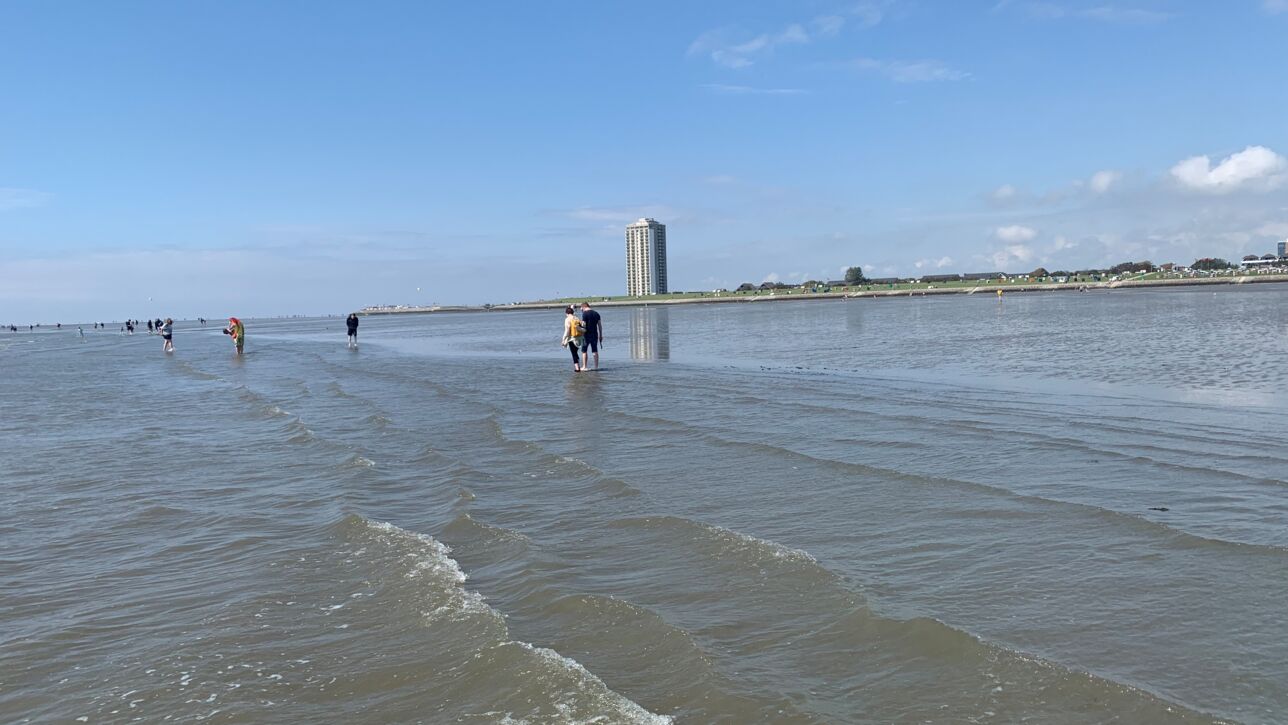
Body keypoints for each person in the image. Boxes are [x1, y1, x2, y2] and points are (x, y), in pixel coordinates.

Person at [579, 302, 603, 371]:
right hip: (595, 334)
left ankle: (584, 366)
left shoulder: (585, 313)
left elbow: (583, 325)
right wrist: (601, 335)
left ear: (584, 307)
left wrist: (579, 325)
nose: (582, 310)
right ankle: (596, 367)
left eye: (581, 309)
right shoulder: (596, 313)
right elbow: (600, 326)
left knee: (584, 351)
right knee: (595, 351)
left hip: (586, 335)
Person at [561, 306, 583, 372]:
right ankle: (578, 366)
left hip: (572, 338)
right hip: (579, 338)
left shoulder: (567, 319)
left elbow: (567, 330)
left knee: (573, 353)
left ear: (566, 313)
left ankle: (577, 369)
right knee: (576, 352)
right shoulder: (576, 318)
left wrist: (563, 339)